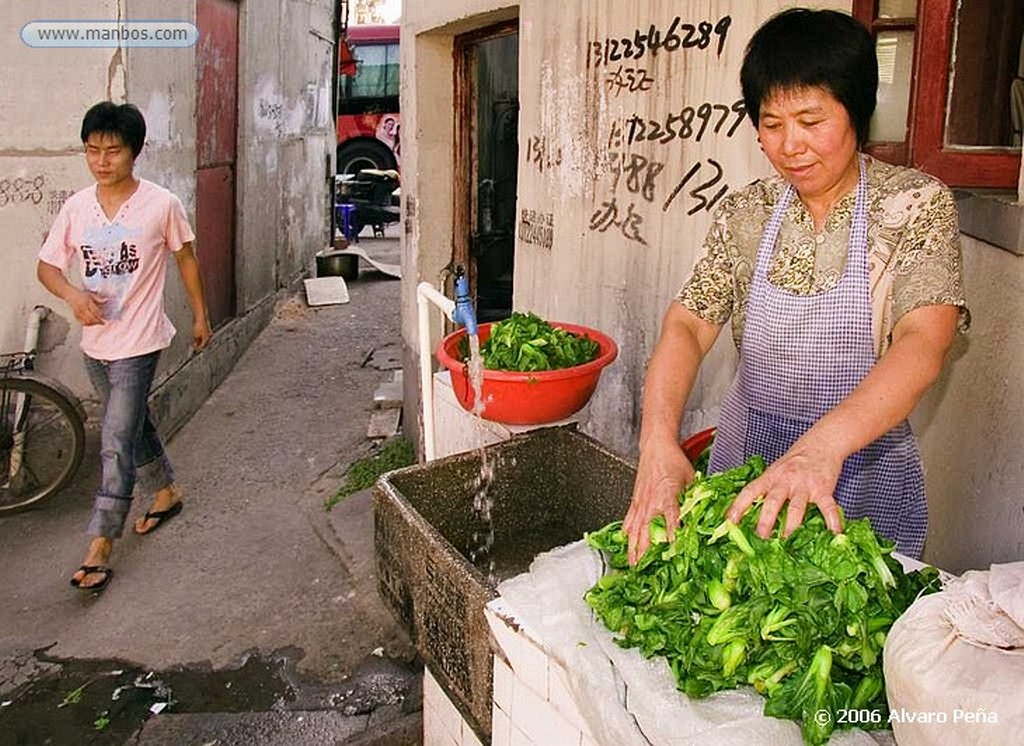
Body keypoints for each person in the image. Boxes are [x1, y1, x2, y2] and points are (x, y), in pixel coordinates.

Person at [623, 8, 968, 565]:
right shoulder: (746, 213)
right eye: (772, 123)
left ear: (856, 113)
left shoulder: (912, 207)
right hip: (748, 462)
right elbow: (687, 324)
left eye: (811, 121)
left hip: (861, 478)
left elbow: (923, 342)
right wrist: (657, 442)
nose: (791, 146)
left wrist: (820, 449)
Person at [37, 101, 211, 591]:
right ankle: (166, 492)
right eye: (92, 151)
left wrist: (201, 316)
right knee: (132, 425)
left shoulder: (161, 205)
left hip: (139, 340)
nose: (101, 161)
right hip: (95, 344)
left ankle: (100, 542)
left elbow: (187, 260)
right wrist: (74, 295)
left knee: (115, 440)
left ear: (135, 151)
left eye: (112, 151)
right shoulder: (77, 207)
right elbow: (48, 267)